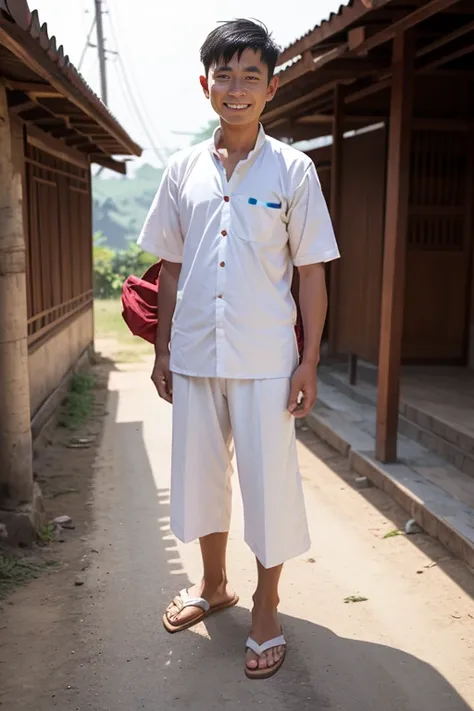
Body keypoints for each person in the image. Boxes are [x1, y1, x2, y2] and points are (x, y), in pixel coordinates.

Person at [137, 18, 339, 680]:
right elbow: (169, 268)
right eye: (224, 74)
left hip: (265, 361)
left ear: (271, 88)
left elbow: (312, 271)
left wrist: (307, 361)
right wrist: (163, 349)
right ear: (206, 85)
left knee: (268, 487)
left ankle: (267, 604)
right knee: (200, 480)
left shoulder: (294, 170)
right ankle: (214, 583)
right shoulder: (182, 171)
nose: (237, 87)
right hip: (195, 355)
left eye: (251, 75)